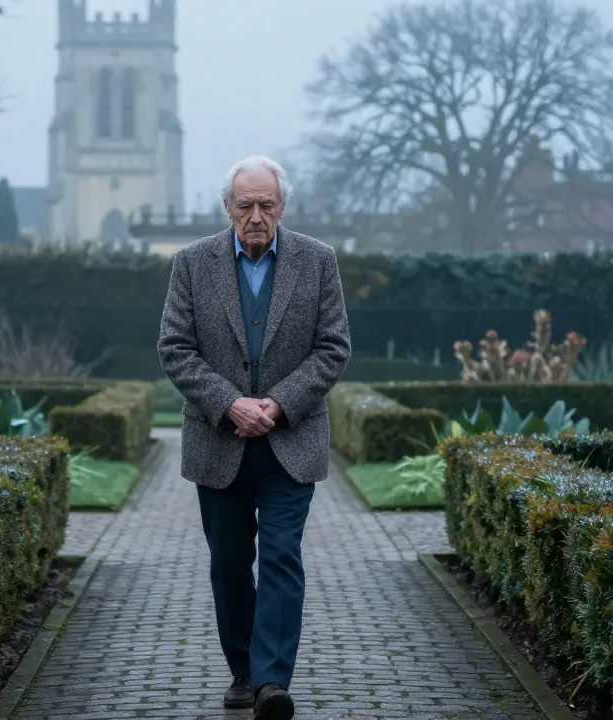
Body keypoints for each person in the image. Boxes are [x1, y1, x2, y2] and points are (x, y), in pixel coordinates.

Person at [156, 154, 352, 719]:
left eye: (267, 205)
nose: (257, 216)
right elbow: (174, 347)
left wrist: (281, 403)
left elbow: (333, 346)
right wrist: (229, 404)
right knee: (229, 564)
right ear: (228, 208)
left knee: (282, 558)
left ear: (282, 207)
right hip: (219, 444)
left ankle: (271, 682)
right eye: (246, 205)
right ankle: (242, 670)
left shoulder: (319, 261)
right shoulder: (193, 263)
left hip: (293, 443)